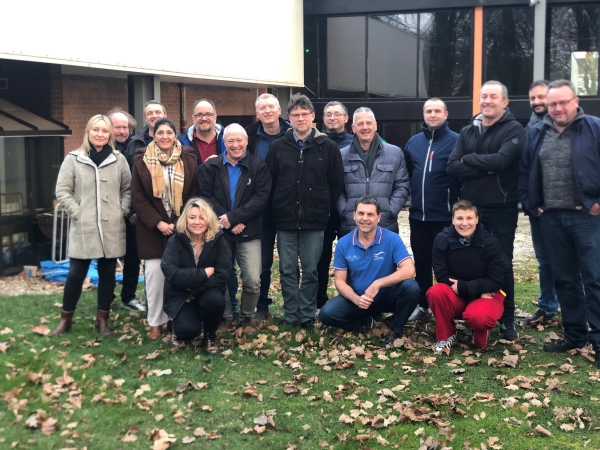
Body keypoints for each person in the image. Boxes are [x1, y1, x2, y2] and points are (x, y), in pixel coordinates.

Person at [519, 79, 600, 368]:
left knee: (594, 279)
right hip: (550, 217)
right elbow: (525, 169)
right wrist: (531, 204)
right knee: (564, 279)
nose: (557, 108)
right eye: (553, 103)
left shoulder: (593, 128)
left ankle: (599, 339)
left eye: (563, 102)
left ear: (575, 101)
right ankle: (575, 335)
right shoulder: (537, 132)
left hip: (586, 217)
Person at [447, 80, 525, 341]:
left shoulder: (514, 128)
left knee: (502, 263)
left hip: (501, 208)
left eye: (493, 96)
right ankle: (474, 312)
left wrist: (469, 159)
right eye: (484, 96)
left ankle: (507, 319)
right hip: (471, 210)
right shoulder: (468, 131)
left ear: (505, 102)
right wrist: (487, 167)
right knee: (471, 261)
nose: (487, 101)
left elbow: (504, 160)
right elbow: (452, 166)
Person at [266, 93, 344, 328]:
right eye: (295, 115)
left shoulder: (327, 147)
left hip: (315, 221)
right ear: (289, 118)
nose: (300, 118)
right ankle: (291, 315)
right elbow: (270, 182)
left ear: (313, 117)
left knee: (311, 271)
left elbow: (336, 183)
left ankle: (307, 315)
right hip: (286, 220)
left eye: (304, 114)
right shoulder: (278, 147)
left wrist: (324, 209)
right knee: (288, 271)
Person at [52, 114, 131, 335]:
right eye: (95, 130)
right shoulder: (73, 159)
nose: (100, 134)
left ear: (110, 135)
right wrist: (78, 212)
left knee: (107, 275)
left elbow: (127, 190)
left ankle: (102, 320)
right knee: (75, 274)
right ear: (88, 132)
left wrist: (121, 210)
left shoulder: (119, 160)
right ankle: (66, 319)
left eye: (104, 131)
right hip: (83, 226)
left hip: (111, 226)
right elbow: (62, 191)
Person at [198, 124, 271, 332]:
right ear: (224, 142)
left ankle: (247, 316)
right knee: (222, 277)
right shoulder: (210, 167)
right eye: (231, 140)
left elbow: (261, 198)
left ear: (247, 141)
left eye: (239, 140)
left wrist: (235, 217)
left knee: (252, 279)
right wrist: (228, 221)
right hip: (218, 233)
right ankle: (226, 316)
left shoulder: (259, 166)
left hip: (249, 232)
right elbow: (205, 197)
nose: (235, 144)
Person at [318, 196, 420, 346]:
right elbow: (339, 280)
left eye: (370, 214)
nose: (365, 218)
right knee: (326, 314)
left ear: (378, 217)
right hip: (359, 299)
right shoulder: (344, 243)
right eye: (361, 213)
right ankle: (366, 323)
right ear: (354, 215)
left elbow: (410, 270)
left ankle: (396, 330)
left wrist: (378, 284)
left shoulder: (392, 239)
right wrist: (356, 299)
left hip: (386, 296)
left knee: (411, 288)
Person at [131, 117, 199, 340]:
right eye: (160, 133)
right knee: (154, 277)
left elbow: (193, 194)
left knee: (178, 278)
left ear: (175, 135)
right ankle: (155, 322)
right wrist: (157, 222)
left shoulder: (188, 158)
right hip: (152, 230)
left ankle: (174, 318)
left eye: (169, 132)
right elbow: (138, 198)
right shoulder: (141, 160)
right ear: (153, 135)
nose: (165, 137)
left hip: (181, 227)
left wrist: (181, 223)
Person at [403, 98, 460, 322]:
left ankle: (449, 305)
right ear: (424, 115)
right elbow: (408, 173)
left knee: (447, 263)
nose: (433, 115)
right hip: (418, 216)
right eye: (429, 111)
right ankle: (423, 305)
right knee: (422, 261)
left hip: (445, 216)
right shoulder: (414, 142)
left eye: (437, 111)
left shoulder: (457, 141)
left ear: (446, 114)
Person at [427, 200, 505, 351]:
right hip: (457, 294)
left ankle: (479, 331)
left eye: (469, 218)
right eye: (459, 218)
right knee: (436, 291)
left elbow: (496, 280)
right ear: (453, 220)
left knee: (479, 319)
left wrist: (467, 287)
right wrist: (464, 289)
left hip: (486, 295)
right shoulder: (441, 239)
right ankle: (447, 334)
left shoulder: (490, 242)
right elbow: (442, 275)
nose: (464, 223)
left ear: (477, 219)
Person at [161, 198, 231, 354]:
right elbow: (171, 273)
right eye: (192, 217)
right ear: (186, 219)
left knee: (216, 300)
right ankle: (182, 325)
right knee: (187, 331)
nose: (197, 222)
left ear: (209, 219)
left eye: (202, 217)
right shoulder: (176, 240)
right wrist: (204, 273)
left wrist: (193, 286)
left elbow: (223, 274)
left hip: (205, 291)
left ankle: (210, 335)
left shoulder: (218, 240)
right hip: (181, 294)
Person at [245, 93, 291, 322]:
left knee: (290, 260)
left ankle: (294, 308)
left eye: (271, 106)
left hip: (288, 207)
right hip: (258, 209)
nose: (267, 111)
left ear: (279, 109)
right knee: (262, 260)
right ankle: (261, 306)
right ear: (257, 113)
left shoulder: (293, 132)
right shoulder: (250, 136)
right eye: (262, 107)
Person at [337, 107, 409, 236]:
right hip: (351, 226)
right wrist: (345, 211)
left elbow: (402, 185)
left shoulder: (395, 153)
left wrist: (390, 210)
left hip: (385, 225)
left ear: (375, 126)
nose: (365, 127)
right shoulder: (341, 155)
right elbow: (336, 188)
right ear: (353, 128)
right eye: (360, 124)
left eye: (368, 123)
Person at [522, 80, 558, 325]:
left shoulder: (567, 126)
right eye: (533, 98)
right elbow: (524, 170)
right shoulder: (531, 128)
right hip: (538, 210)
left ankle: (578, 312)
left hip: (566, 209)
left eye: (541, 97)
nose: (537, 102)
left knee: (573, 263)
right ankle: (547, 308)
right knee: (545, 261)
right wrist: (530, 203)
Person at [316, 101, 353, 311]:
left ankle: (351, 299)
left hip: (350, 208)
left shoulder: (355, 142)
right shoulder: (316, 142)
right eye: (328, 114)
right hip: (324, 209)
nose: (332, 118)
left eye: (337, 114)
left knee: (351, 255)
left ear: (346, 119)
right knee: (322, 256)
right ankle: (320, 299)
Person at [107, 108, 145, 312]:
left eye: (125, 127)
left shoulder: (135, 147)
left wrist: (132, 211)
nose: (122, 131)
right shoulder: (100, 149)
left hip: (131, 213)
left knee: (133, 255)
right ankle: (107, 297)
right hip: (109, 214)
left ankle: (128, 296)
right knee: (108, 258)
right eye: (117, 127)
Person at [179, 99, 225, 166]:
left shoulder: (228, 140)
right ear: (193, 118)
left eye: (208, 114)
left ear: (215, 117)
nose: (204, 118)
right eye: (199, 115)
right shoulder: (181, 144)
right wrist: (204, 168)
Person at [126, 100, 166, 168]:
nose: (154, 116)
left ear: (165, 116)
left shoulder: (178, 140)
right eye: (150, 113)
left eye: (158, 112)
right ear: (145, 118)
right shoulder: (134, 143)